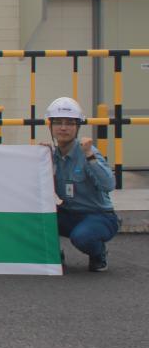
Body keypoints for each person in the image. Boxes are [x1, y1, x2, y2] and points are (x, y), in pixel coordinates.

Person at [47, 96, 119, 272]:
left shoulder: (88, 152)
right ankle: (53, 255)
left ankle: (99, 254)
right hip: (69, 213)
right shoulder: (51, 155)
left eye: (70, 123)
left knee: (83, 237)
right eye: (58, 122)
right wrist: (40, 156)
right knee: (35, 219)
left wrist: (90, 156)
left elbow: (109, 185)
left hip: (98, 216)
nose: (63, 128)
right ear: (50, 126)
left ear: (78, 127)